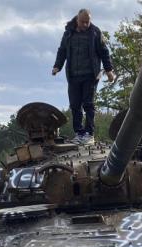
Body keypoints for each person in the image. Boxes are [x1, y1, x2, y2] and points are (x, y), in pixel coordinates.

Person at [52, 8, 115, 145]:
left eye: (88, 22)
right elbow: (62, 50)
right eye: (83, 22)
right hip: (73, 75)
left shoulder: (95, 32)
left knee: (88, 103)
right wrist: (57, 66)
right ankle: (79, 133)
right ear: (77, 19)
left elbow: (104, 52)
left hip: (91, 75)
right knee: (75, 105)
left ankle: (89, 133)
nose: (86, 24)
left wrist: (109, 70)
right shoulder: (68, 32)